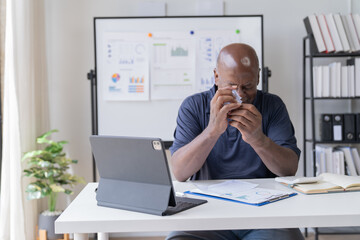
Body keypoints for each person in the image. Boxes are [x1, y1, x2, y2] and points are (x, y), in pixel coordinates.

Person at [166, 43, 304, 240]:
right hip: (206, 214)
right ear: (216, 77)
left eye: (248, 86)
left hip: (263, 214)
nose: (240, 94)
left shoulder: (273, 106)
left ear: (257, 77)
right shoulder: (194, 106)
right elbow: (180, 172)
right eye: (231, 86)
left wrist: (258, 139)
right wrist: (212, 131)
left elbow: (288, 170)